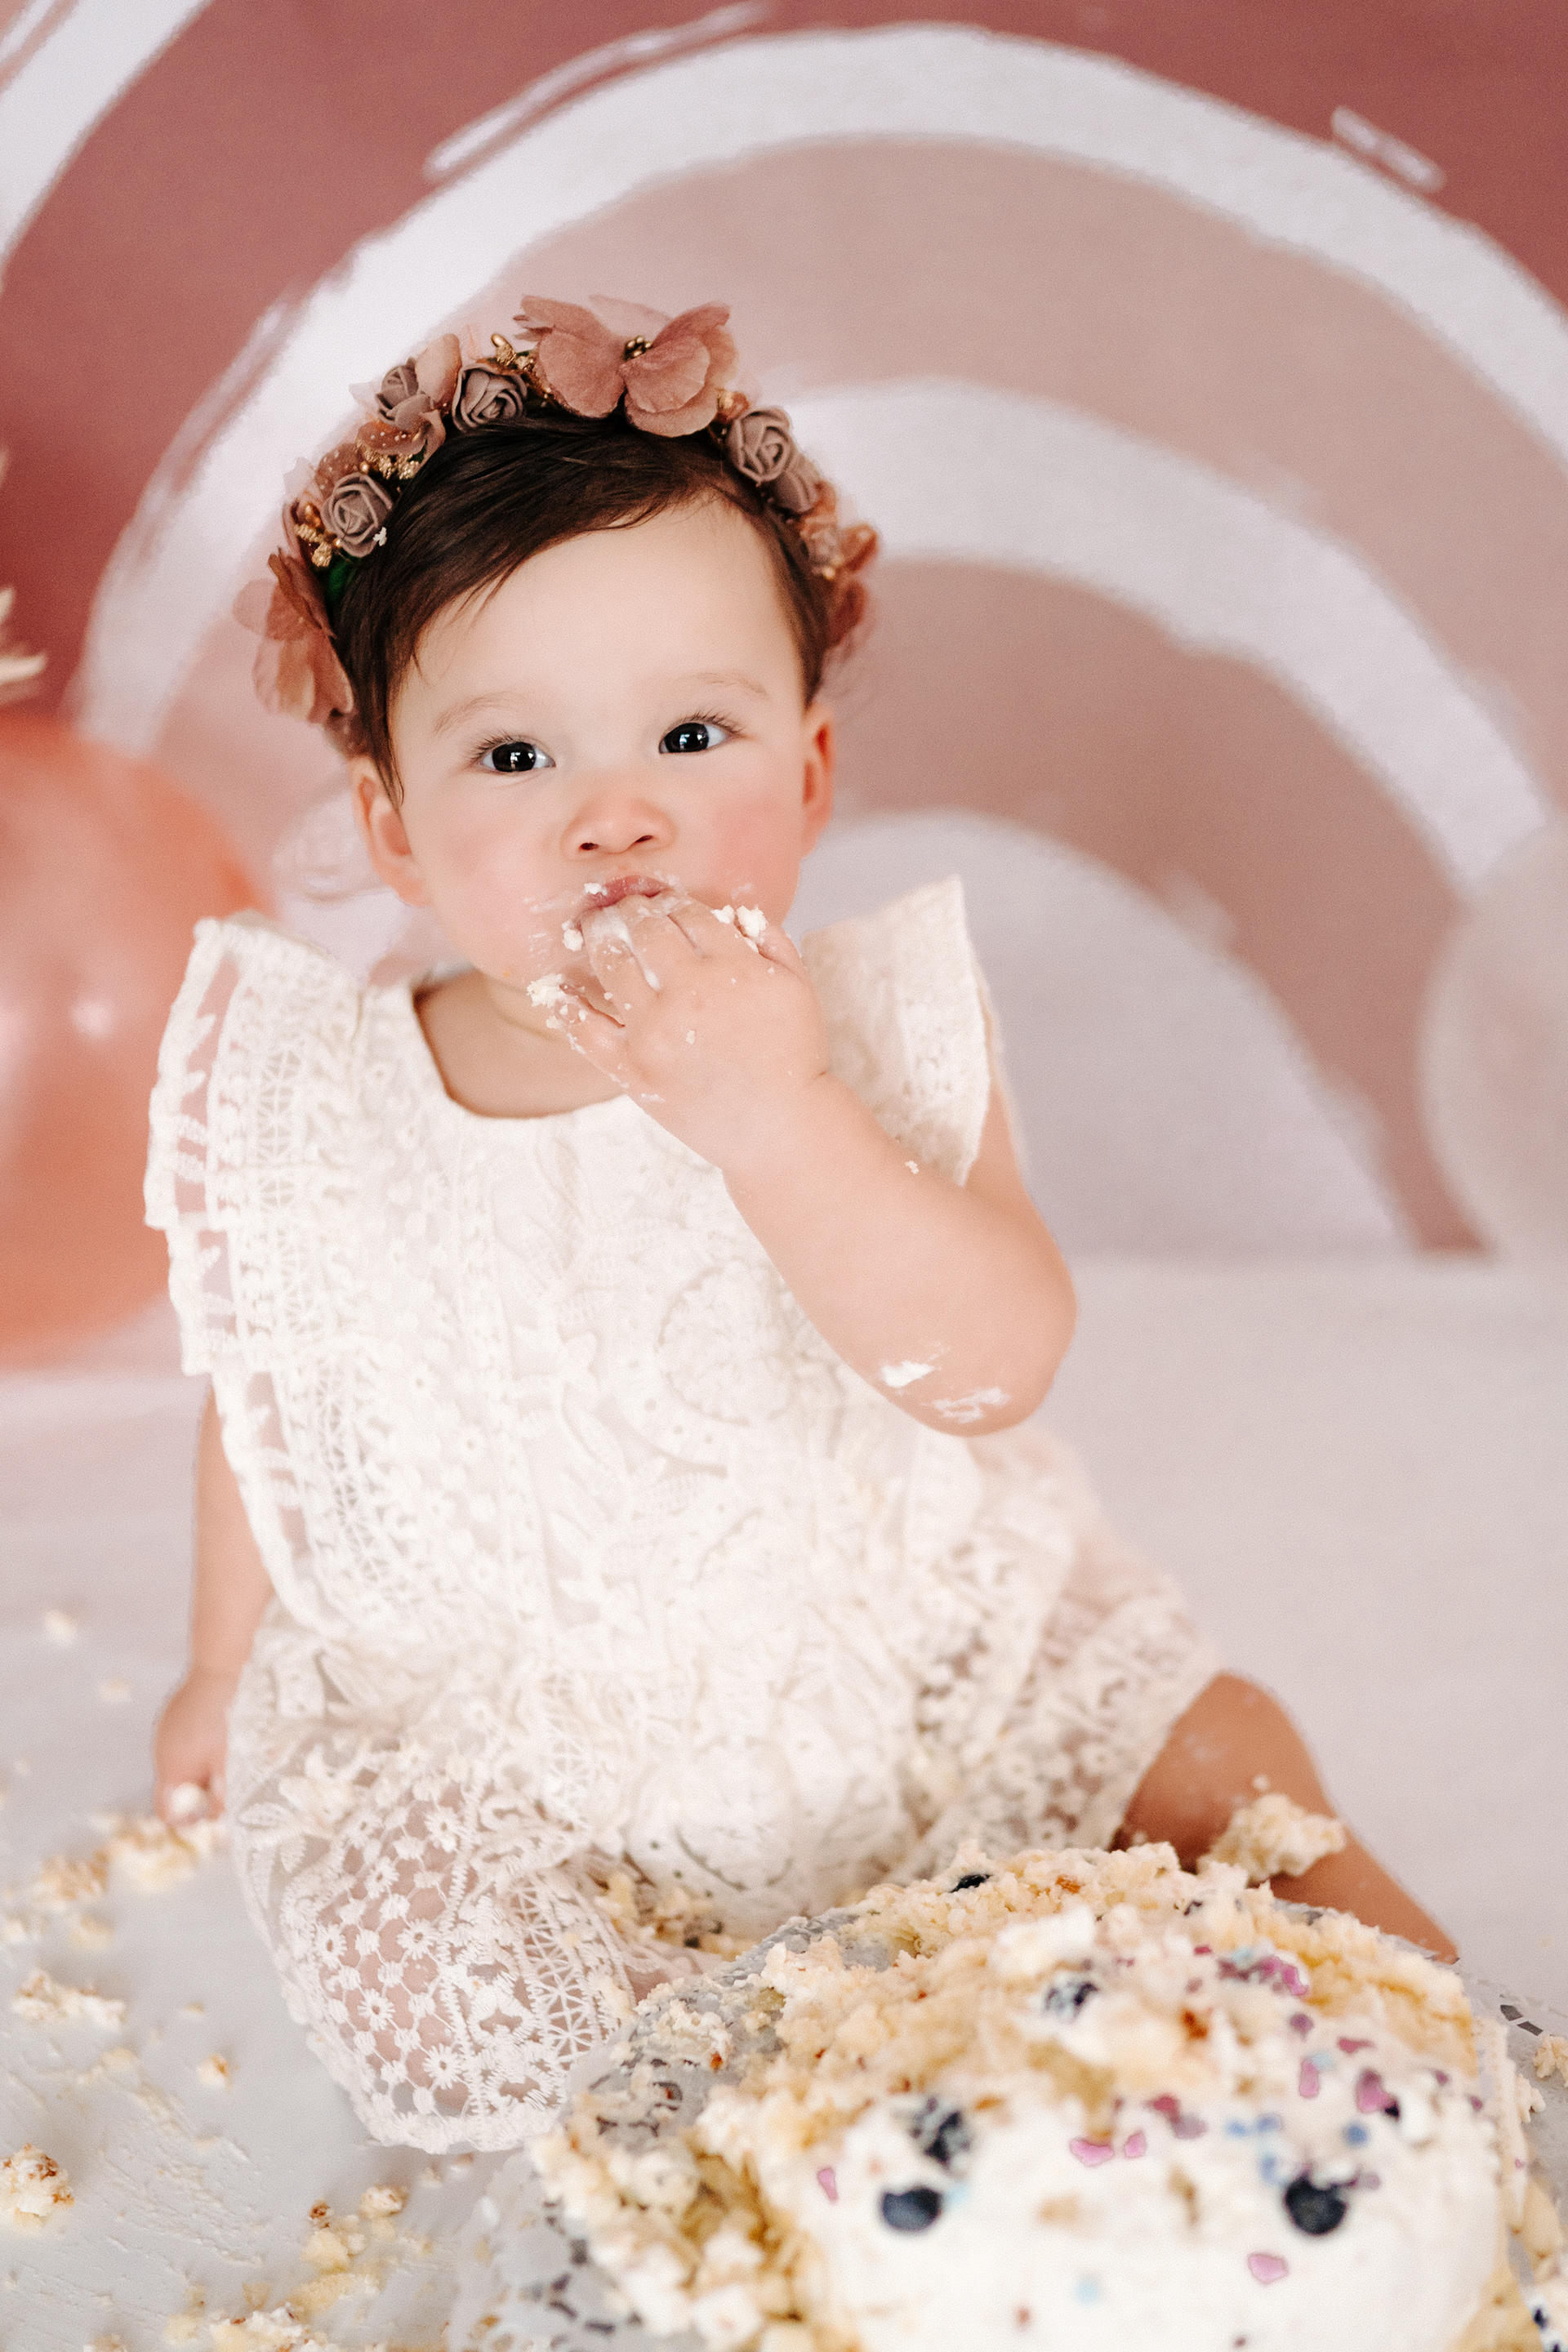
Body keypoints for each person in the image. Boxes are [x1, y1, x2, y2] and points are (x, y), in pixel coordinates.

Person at [148, 295, 1452, 2154]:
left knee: (1214, 1751)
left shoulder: (875, 1032)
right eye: (515, 760)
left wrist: (779, 1117)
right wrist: (223, 1666)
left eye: (693, 734)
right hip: (532, 1740)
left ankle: (1432, 2054)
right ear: (393, 828)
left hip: (899, 1668)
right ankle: (783, 2123)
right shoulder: (331, 1102)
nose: (617, 820)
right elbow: (278, 1401)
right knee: (404, 1946)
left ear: (814, 775)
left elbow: (994, 1362)